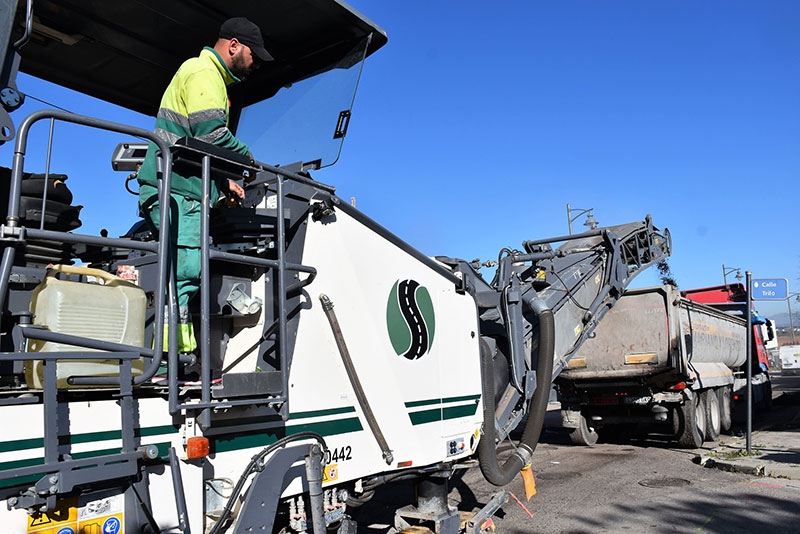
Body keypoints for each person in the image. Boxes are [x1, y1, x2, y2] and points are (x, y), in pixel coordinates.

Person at [137, 17, 273, 354]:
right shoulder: (204, 72)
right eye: (254, 55)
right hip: (179, 190)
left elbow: (195, 144)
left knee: (181, 273)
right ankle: (172, 361)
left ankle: (174, 357)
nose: (255, 63)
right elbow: (212, 134)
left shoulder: (204, 74)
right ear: (233, 46)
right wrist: (247, 160)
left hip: (179, 185)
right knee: (186, 272)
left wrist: (222, 181)